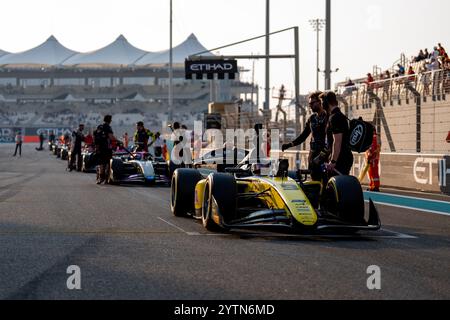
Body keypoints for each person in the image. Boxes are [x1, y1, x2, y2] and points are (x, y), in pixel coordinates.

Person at [282, 91, 328, 181]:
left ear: (320, 102)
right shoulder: (312, 119)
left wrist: (324, 155)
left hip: (325, 155)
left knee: (326, 181)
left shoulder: (328, 116)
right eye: (309, 103)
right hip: (313, 154)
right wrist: (290, 144)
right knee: (315, 181)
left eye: (312, 103)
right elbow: (303, 136)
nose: (310, 106)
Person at [320, 91, 354, 176]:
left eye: (322, 102)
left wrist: (333, 162)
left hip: (341, 160)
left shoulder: (335, 118)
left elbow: (337, 141)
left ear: (326, 102)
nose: (321, 105)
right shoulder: (338, 115)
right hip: (343, 157)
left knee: (337, 187)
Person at [94, 115, 117, 184]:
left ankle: (100, 178)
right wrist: (118, 141)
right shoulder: (108, 127)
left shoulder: (100, 127)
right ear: (109, 120)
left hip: (99, 148)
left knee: (101, 164)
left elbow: (95, 137)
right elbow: (111, 137)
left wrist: (97, 148)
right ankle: (106, 178)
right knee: (108, 163)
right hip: (106, 148)